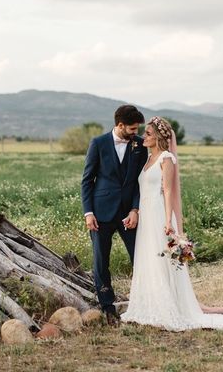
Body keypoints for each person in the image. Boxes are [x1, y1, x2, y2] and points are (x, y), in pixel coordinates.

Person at [121, 116, 223, 331]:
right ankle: (149, 306)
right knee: (148, 259)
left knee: (162, 261)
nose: (144, 136)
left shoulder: (166, 158)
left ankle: (169, 308)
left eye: (148, 133)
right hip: (146, 215)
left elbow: (168, 191)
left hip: (159, 214)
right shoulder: (148, 158)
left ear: (159, 136)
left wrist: (169, 221)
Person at [81, 105, 149, 325]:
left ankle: (145, 301)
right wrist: (88, 213)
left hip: (129, 213)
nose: (135, 132)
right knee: (101, 261)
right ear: (120, 125)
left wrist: (135, 209)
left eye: (137, 128)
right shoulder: (98, 143)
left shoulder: (140, 145)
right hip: (101, 213)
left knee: (140, 257)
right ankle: (108, 306)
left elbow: (142, 181)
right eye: (131, 128)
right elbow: (87, 180)